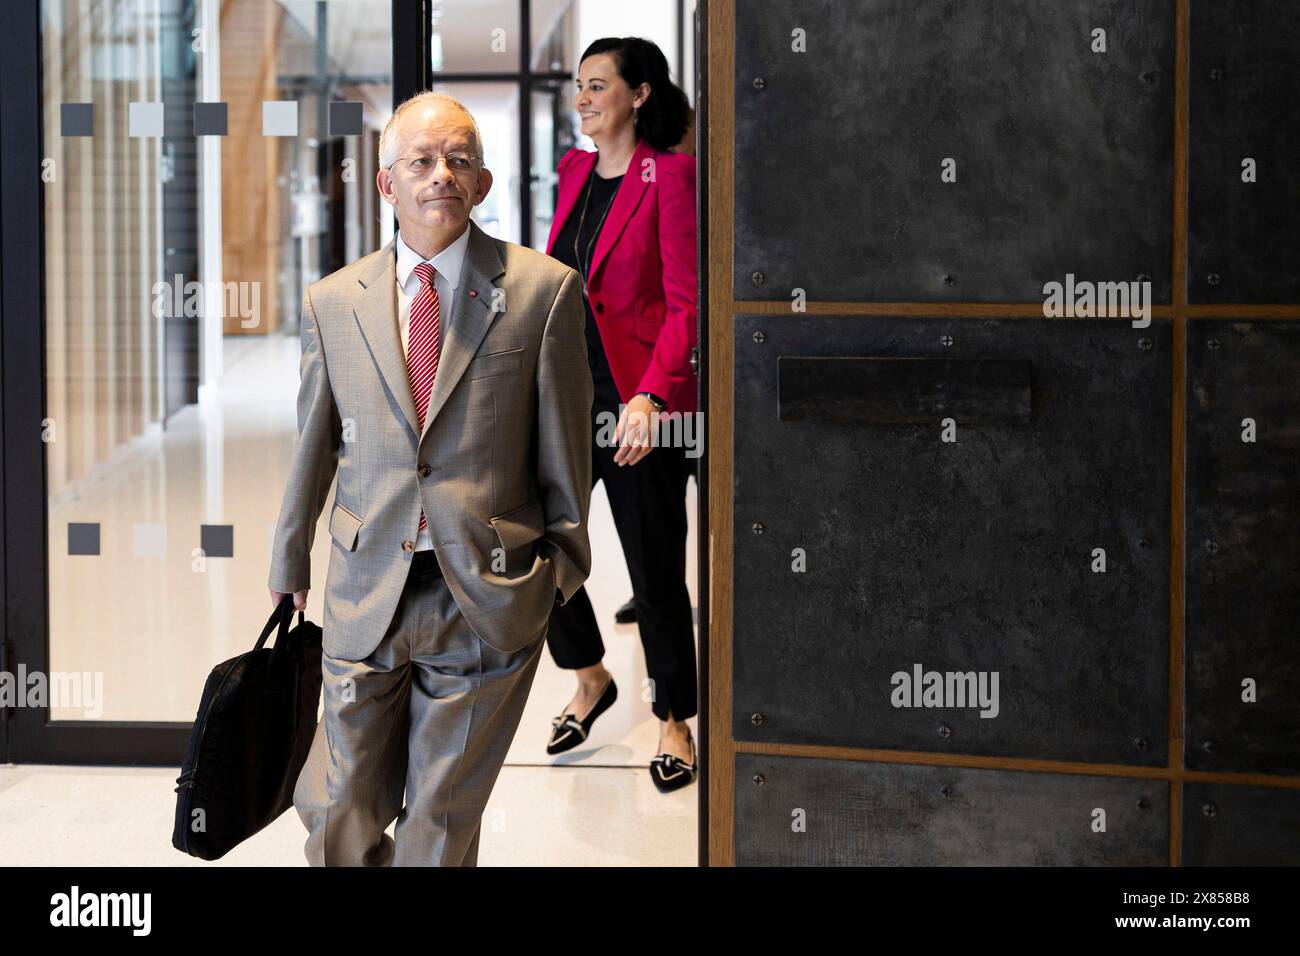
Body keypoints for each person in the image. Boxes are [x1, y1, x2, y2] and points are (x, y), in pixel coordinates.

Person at [267, 90, 593, 865]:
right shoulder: (333, 302)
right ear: (388, 184)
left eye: (459, 161)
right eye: (420, 160)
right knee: (339, 802)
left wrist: (559, 575)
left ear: (481, 184)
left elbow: (566, 455)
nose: (440, 175)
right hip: (364, 582)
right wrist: (288, 560)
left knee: (439, 824)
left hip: (485, 590)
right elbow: (313, 444)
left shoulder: (543, 293)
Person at [541, 37, 699, 793]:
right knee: (536, 551)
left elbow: (685, 303)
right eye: (579, 87)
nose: (583, 99)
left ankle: (674, 719)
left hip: (638, 407)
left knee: (654, 568)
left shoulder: (668, 175)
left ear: (639, 94)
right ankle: (590, 675)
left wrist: (653, 395)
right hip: (567, 399)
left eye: (598, 86)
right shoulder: (574, 171)